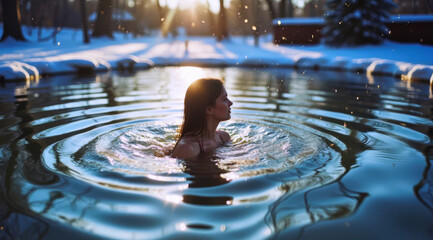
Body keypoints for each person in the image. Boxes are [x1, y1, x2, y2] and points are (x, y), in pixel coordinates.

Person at [172, 78, 233, 159]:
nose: (231, 103)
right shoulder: (188, 149)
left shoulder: (224, 137)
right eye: (225, 99)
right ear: (209, 109)